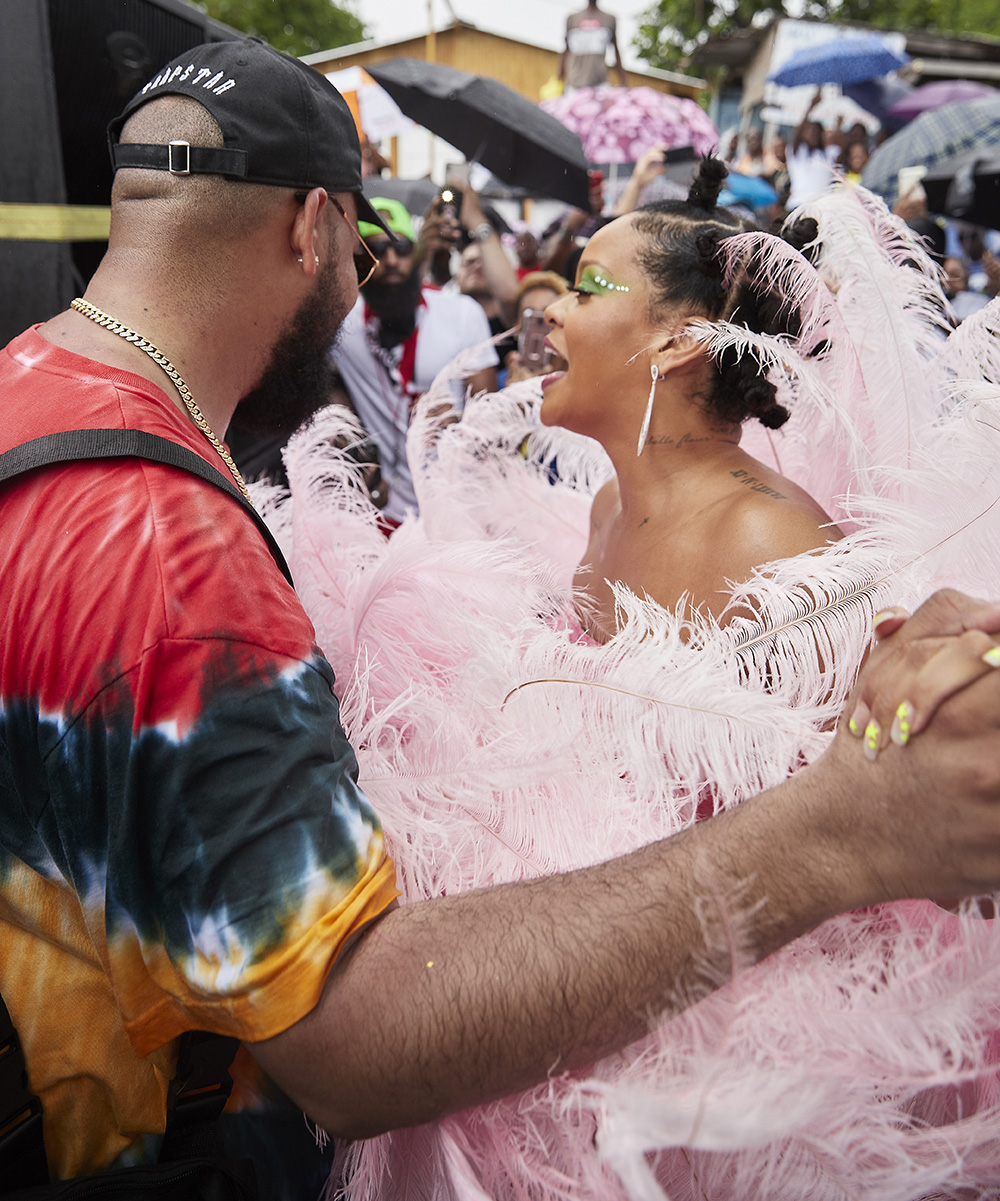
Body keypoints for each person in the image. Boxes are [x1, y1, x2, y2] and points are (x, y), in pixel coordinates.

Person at [6, 36, 1000, 1199]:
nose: (544, 316)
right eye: (366, 251)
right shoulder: (166, 545)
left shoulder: (32, 390)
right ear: (311, 226)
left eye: (586, 285)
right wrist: (837, 831)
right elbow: (347, 1034)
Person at [542, 158, 840, 638]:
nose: (552, 311)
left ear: (679, 343)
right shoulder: (610, 508)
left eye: (586, 289)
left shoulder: (772, 553)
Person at [331, 195, 499, 529]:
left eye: (401, 247)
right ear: (361, 257)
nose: (391, 259)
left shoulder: (461, 313)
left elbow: (489, 415)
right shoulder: (342, 325)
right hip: (382, 512)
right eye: (377, 250)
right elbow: (329, 386)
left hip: (456, 508)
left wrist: (460, 421)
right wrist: (349, 440)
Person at [787, 90, 841, 208]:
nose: (813, 135)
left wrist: (838, 126)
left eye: (817, 132)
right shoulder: (798, 152)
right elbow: (796, 134)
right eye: (810, 132)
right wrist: (811, 106)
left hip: (823, 207)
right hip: (798, 205)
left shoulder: (830, 153)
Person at [558, 1, 625, 91]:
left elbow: (615, 51)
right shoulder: (572, 19)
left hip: (599, 84)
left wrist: (624, 81)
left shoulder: (609, 19)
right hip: (574, 85)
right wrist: (558, 80)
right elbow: (566, 50)